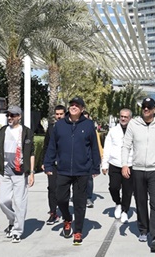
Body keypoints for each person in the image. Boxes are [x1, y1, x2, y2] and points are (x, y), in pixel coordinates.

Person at [44, 96, 100, 246]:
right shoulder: (60, 125)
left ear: (82, 109)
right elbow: (52, 146)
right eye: (72, 105)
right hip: (62, 169)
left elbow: (94, 147)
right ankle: (67, 218)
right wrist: (47, 164)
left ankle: (78, 231)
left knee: (79, 202)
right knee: (60, 198)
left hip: (82, 171)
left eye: (77, 105)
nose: (74, 107)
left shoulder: (88, 125)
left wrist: (96, 166)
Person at [121, 97, 155, 253]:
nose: (146, 109)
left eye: (149, 107)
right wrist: (125, 164)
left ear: (154, 109)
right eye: (144, 107)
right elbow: (126, 146)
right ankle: (143, 229)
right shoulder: (133, 124)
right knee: (140, 201)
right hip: (137, 169)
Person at [0, 106, 35, 243]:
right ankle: (13, 220)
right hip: (5, 172)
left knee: (19, 202)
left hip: (20, 172)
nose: (9, 117)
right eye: (8, 115)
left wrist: (32, 173)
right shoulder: (2, 131)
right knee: (2, 200)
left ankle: (17, 231)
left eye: (13, 115)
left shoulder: (26, 132)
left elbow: (32, 153)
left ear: (19, 117)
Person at [101, 108, 133, 223]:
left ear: (130, 118)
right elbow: (107, 147)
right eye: (122, 116)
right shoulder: (113, 131)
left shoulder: (134, 130)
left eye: (126, 117)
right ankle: (118, 203)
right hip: (115, 163)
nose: (123, 118)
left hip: (129, 164)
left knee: (127, 190)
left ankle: (125, 210)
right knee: (113, 187)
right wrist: (104, 164)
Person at [41, 105, 66, 225]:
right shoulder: (51, 128)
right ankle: (53, 213)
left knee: (63, 189)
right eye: (57, 114)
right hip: (52, 163)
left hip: (66, 164)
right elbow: (46, 146)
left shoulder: (70, 127)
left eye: (61, 114)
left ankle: (64, 210)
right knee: (52, 188)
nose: (59, 116)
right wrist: (44, 162)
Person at [83, 110, 103, 208]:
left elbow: (97, 145)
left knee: (89, 179)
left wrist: (99, 158)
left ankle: (88, 197)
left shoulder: (93, 131)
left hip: (90, 159)